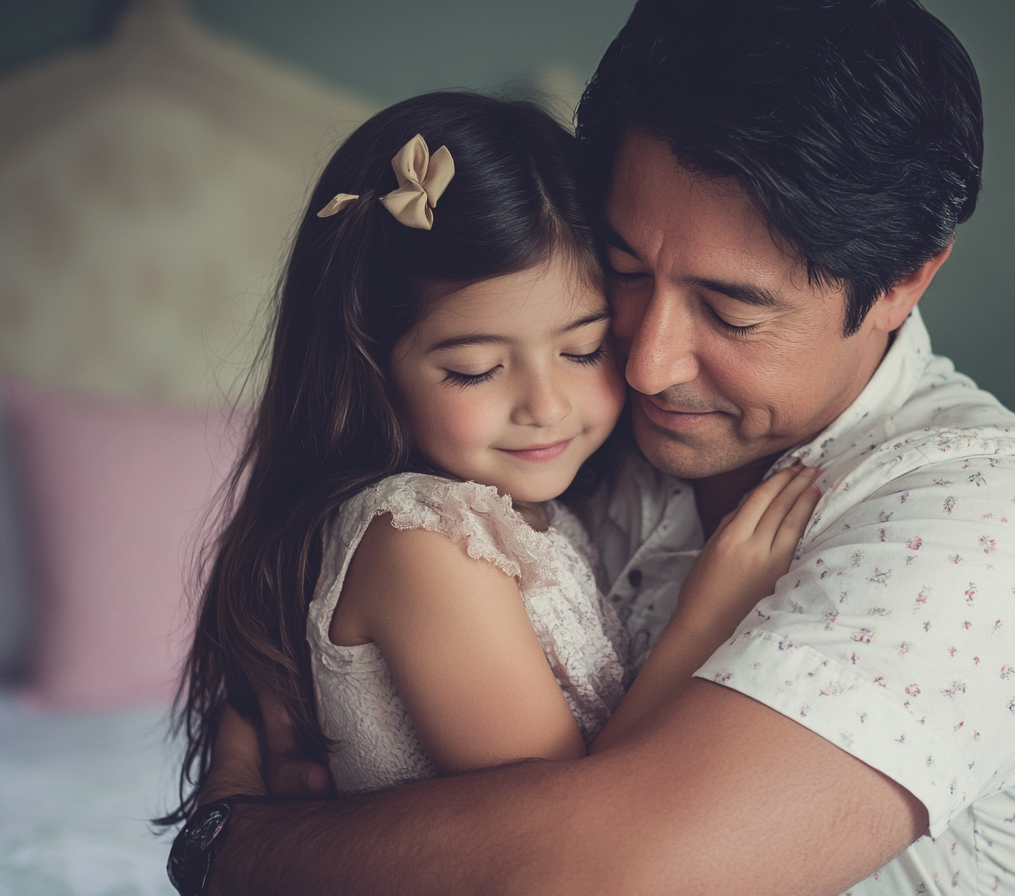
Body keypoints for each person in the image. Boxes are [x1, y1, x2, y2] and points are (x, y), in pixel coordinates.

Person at [186, 1, 1015, 894]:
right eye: (625, 275)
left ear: (902, 283)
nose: (647, 363)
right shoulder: (557, 451)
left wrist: (236, 843)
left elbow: (595, 874)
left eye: (729, 310)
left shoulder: (998, 516)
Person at [162, 91, 822, 822]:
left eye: (584, 349)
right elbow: (561, 826)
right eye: (475, 368)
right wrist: (708, 616)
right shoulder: (427, 543)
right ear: (372, 369)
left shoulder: (518, 513)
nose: (544, 404)